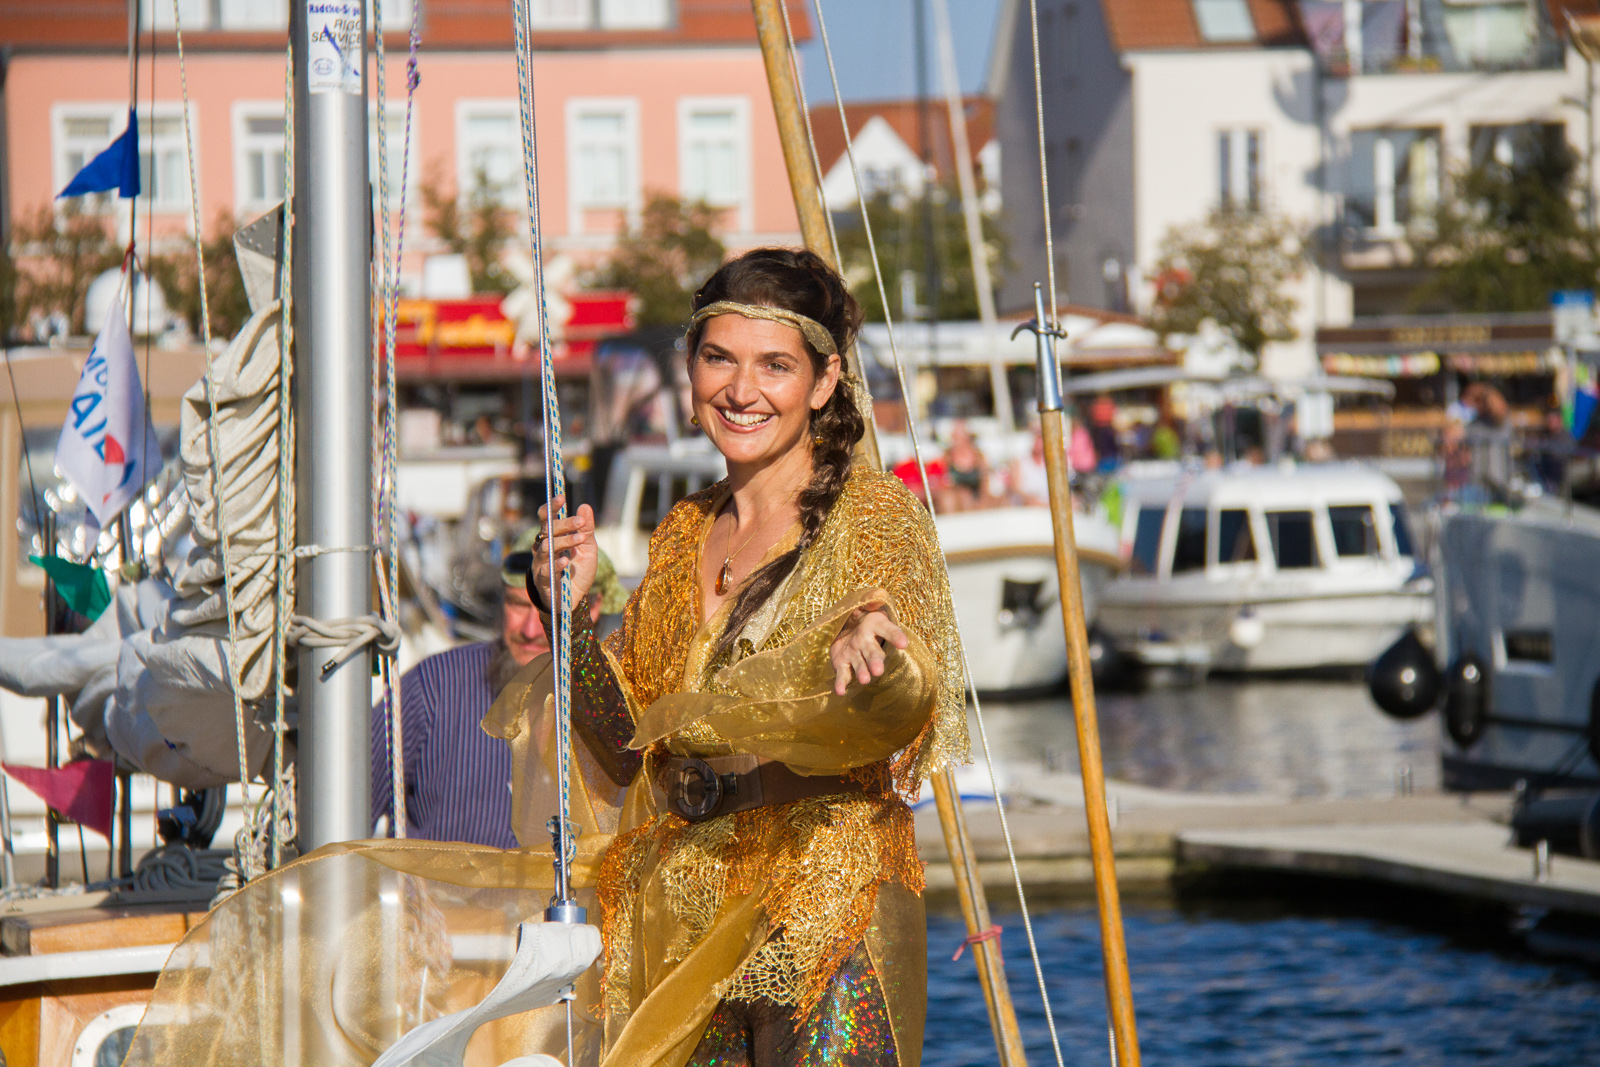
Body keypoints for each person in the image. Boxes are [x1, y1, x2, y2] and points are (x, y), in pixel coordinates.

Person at [531, 248, 966, 1067]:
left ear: (824, 381)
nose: (740, 390)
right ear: (690, 369)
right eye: (718, 358)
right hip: (687, 908)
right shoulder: (682, 533)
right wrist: (568, 618)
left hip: (824, 896)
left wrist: (873, 649)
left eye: (774, 365)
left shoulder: (874, 516)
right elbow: (623, 746)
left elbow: (906, 702)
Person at [368, 527, 627, 846]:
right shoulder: (433, 687)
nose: (530, 630)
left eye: (546, 612)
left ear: (593, 608)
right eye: (518, 605)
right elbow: (345, 807)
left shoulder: (616, 713)